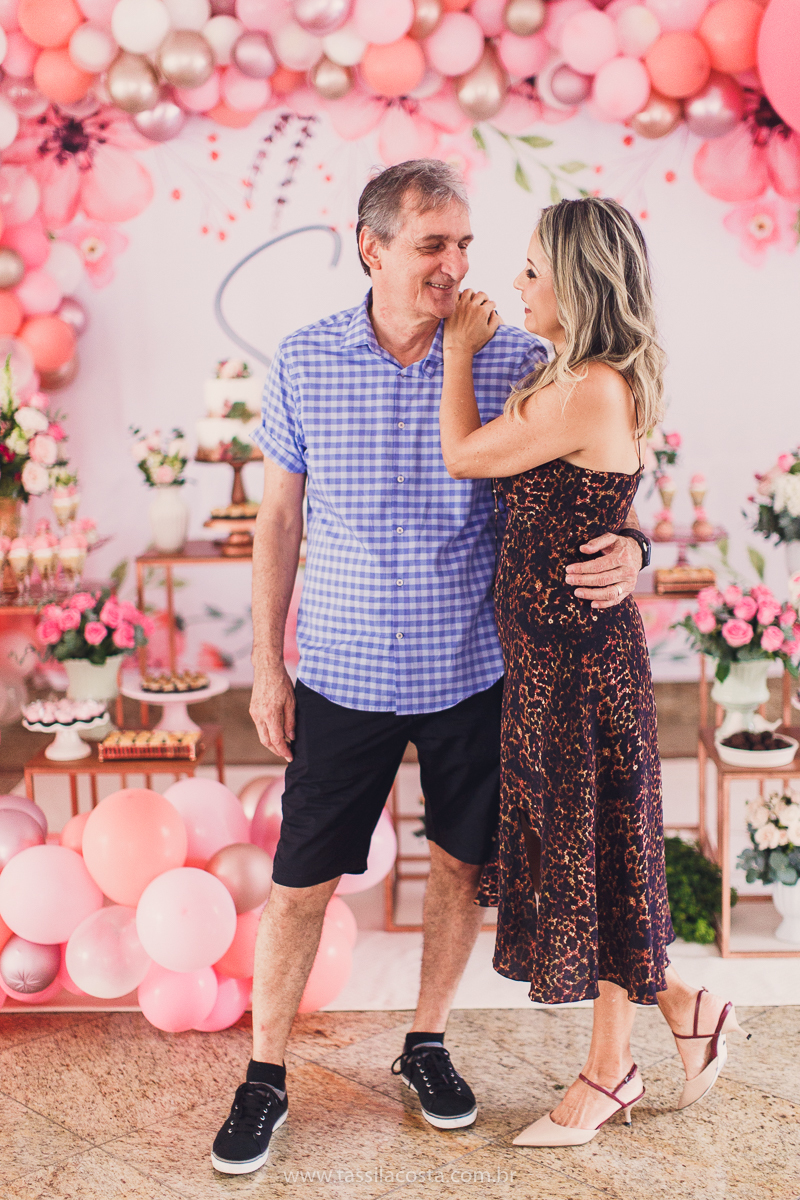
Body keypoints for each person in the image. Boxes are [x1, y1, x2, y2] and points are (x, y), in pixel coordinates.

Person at [211, 163, 646, 1177]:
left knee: (456, 867)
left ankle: (427, 1042)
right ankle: (264, 1074)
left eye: (464, 245)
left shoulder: (516, 360)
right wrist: (266, 663)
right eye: (430, 246)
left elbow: (606, 474)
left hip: (475, 672)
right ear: (372, 249)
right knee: (300, 885)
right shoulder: (305, 360)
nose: (455, 266)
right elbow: (277, 518)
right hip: (342, 672)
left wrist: (638, 550)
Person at [438, 196, 748, 1149]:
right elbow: (594, 499)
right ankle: (690, 1013)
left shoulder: (592, 387)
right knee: (595, 859)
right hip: (543, 667)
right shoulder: (558, 374)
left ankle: (610, 1071)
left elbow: (463, 456)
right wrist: (637, 544)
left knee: (599, 862)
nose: (517, 282)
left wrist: (455, 350)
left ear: (576, 284)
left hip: (579, 671)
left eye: (533, 268)